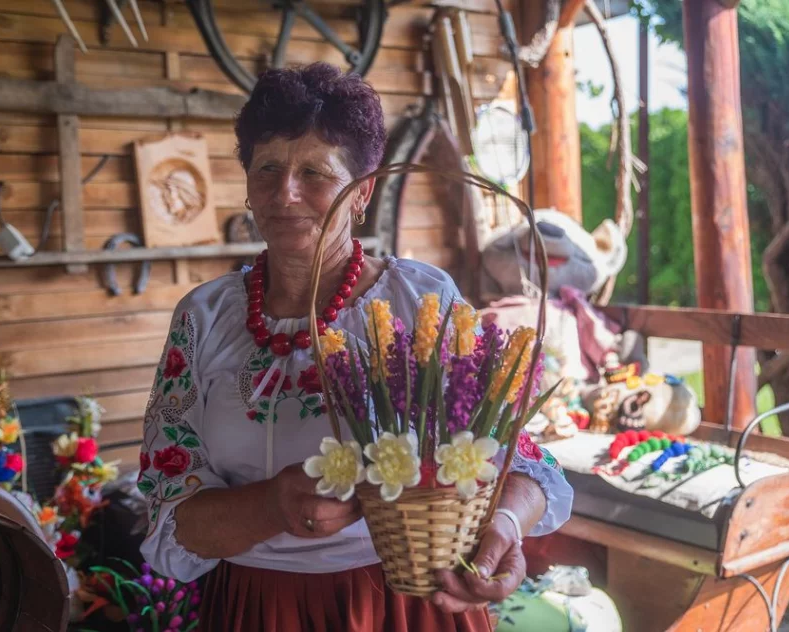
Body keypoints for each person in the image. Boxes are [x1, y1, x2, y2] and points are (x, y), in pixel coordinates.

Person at [138, 62, 573, 632]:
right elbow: (170, 513)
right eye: (266, 167)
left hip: (404, 603)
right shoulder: (204, 317)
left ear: (362, 192)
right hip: (260, 610)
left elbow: (523, 463)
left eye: (315, 172)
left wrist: (505, 533)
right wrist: (270, 508)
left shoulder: (419, 302)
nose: (285, 191)